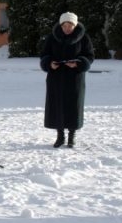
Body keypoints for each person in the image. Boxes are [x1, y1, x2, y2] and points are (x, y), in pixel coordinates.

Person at [39, 11, 94, 148]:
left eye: (70, 25)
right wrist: (49, 63)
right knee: (57, 106)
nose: (67, 28)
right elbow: (44, 55)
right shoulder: (52, 37)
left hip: (75, 78)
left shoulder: (83, 38)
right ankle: (60, 136)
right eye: (64, 25)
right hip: (56, 78)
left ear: (75, 25)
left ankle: (71, 136)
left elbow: (90, 56)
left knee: (73, 106)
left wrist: (78, 63)